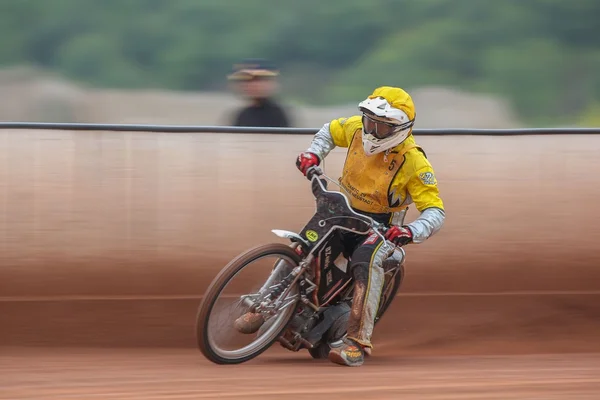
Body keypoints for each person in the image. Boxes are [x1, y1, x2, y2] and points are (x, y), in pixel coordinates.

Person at [235, 86, 445, 367]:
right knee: (303, 246)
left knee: (365, 263)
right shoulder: (356, 128)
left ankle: (357, 343)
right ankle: (264, 303)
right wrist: (313, 154)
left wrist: (410, 232)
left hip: (380, 227)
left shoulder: (415, 162)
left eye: (381, 126)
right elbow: (328, 132)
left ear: (400, 128)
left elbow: (435, 211)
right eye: (370, 120)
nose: (371, 130)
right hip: (341, 210)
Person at [227, 58, 292, 127]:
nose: (251, 85)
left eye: (257, 80)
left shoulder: (276, 114)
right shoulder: (244, 114)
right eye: (247, 81)